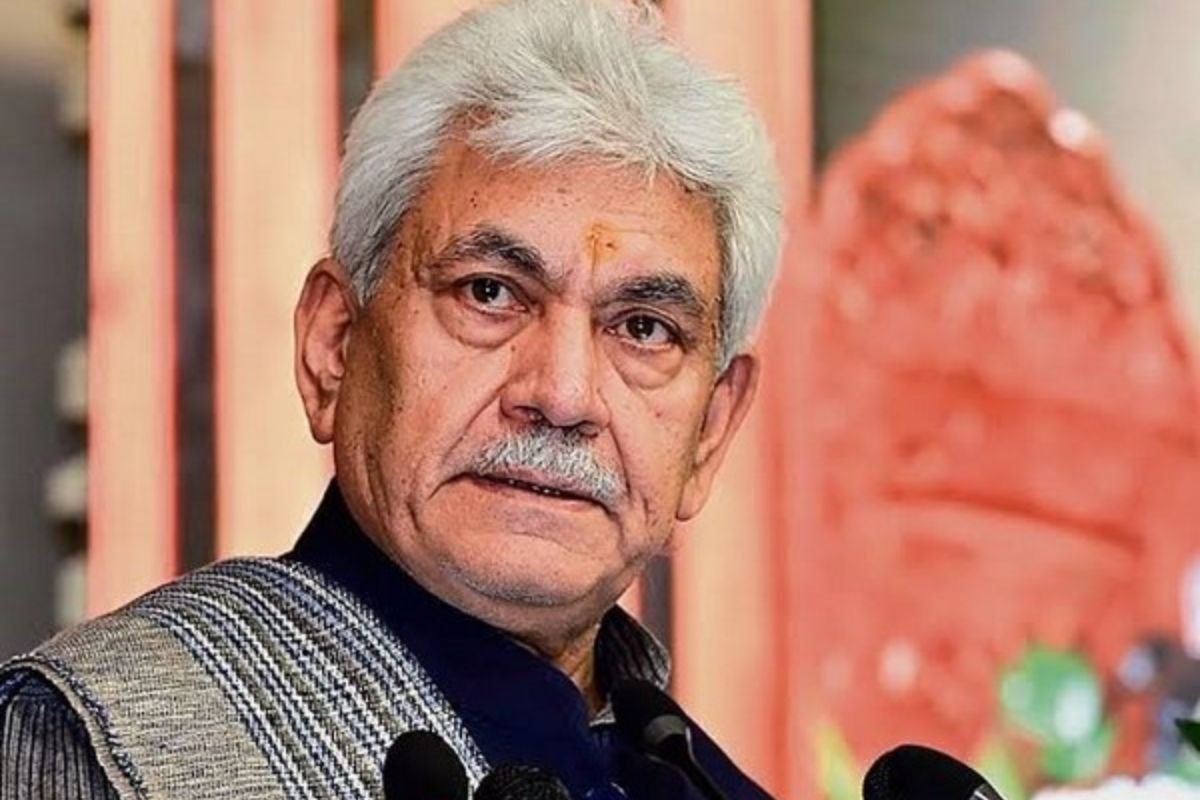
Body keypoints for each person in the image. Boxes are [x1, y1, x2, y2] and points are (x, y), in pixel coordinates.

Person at [0, 0, 781, 796]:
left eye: (644, 328)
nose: (563, 394)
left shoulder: (702, 781)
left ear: (710, 432)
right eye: (489, 292)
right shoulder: (98, 745)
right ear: (334, 344)